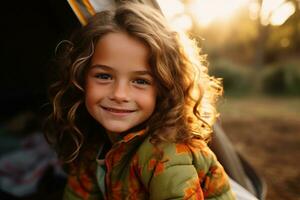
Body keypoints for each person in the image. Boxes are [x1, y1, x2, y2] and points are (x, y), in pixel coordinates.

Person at [45, 2, 236, 199]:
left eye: (140, 81)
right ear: (80, 78)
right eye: (104, 76)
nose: (119, 94)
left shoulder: (165, 153)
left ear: (164, 89)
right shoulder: (91, 145)